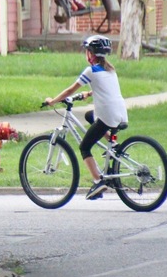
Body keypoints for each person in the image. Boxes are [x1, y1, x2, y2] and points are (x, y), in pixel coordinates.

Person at [44, 35, 127, 200]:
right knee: (90, 115)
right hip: (121, 113)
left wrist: (52, 101)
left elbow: (70, 90)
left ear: (90, 54)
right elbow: (104, 88)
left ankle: (98, 181)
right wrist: (88, 93)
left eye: (87, 51)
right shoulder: (110, 69)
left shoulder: (91, 70)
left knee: (84, 147)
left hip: (107, 116)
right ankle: (113, 144)